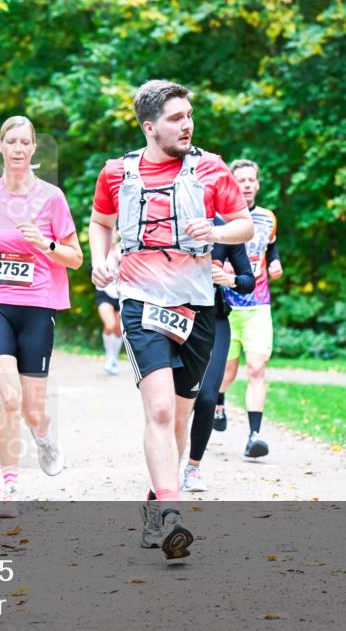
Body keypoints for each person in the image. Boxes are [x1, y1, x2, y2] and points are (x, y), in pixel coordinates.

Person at [88, 80, 252, 562]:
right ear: (149, 126)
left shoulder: (211, 168)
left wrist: (218, 229)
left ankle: (157, 503)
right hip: (140, 302)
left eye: (189, 115)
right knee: (158, 410)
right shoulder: (117, 172)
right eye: (176, 118)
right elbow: (101, 221)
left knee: (180, 415)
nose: (187, 124)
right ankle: (173, 517)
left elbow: (243, 223)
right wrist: (102, 260)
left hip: (196, 305)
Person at [0, 115, 83, 518]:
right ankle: (10, 487)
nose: (17, 148)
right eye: (10, 141)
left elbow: (76, 258)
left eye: (24, 142)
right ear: (0, 146)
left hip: (38, 305)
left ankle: (43, 437)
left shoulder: (52, 197)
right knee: (8, 399)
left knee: (32, 408)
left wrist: (45, 242)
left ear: (33, 148)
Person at [214, 159, 283, 459]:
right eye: (239, 179)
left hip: (258, 305)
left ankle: (255, 435)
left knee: (256, 369)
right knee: (227, 372)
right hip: (227, 307)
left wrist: (276, 261)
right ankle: (217, 400)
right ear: (232, 183)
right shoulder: (221, 220)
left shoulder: (268, 218)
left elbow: (272, 246)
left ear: (257, 183)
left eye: (250, 179)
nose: (245, 184)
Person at [182, 217, 255, 492]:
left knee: (208, 395)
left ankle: (193, 467)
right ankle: (164, 466)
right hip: (176, 314)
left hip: (214, 318)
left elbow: (248, 280)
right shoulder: (172, 216)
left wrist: (230, 279)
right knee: (174, 397)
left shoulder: (226, 228)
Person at [95, 236, 123, 375]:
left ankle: (114, 359)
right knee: (110, 325)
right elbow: (93, 269)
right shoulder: (100, 250)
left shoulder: (123, 249)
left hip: (121, 294)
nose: (111, 235)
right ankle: (109, 357)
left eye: (114, 231)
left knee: (119, 330)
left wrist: (120, 259)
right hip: (104, 293)